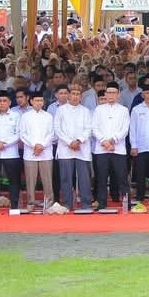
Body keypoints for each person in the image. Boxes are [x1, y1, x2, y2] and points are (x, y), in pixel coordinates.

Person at [55, 84, 94, 212]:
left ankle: (86, 204)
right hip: (65, 149)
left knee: (84, 178)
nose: (75, 96)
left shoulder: (86, 111)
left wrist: (78, 141)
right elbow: (57, 129)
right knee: (66, 178)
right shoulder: (61, 110)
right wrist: (69, 142)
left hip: (82, 148)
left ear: (81, 97)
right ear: (68, 96)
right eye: (73, 94)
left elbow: (89, 129)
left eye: (78, 94)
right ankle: (67, 204)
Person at [91, 82, 130, 209]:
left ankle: (126, 203)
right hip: (101, 149)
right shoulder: (98, 109)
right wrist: (104, 141)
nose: (111, 95)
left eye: (114, 93)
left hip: (118, 149)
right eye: (109, 93)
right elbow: (94, 128)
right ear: (105, 94)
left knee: (122, 178)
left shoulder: (123, 110)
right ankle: (102, 203)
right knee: (101, 178)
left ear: (118, 94)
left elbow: (125, 129)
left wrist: (113, 140)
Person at [20, 91, 56, 209]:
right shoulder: (25, 116)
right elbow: (23, 134)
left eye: (41, 100)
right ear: (31, 101)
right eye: (37, 100)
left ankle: (49, 202)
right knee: (30, 180)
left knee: (47, 179)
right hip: (30, 152)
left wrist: (42, 145)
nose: (39, 103)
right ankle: (30, 203)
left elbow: (51, 134)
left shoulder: (48, 116)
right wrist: (34, 145)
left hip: (45, 152)